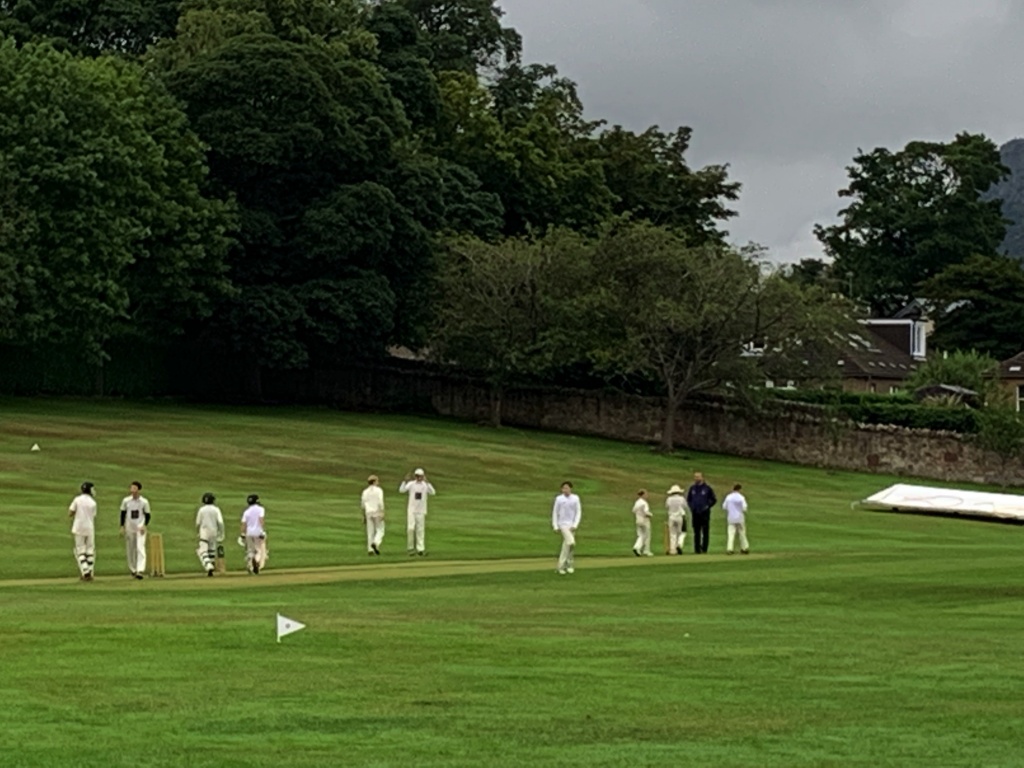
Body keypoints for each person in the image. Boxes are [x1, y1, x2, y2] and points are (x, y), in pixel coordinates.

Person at [399, 469, 435, 556]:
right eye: (417, 476)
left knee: (420, 530)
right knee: (410, 528)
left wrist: (427, 483)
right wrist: (404, 481)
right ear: (415, 476)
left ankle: (420, 549)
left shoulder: (425, 485)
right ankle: (410, 548)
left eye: (421, 476)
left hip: (421, 510)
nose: (419, 478)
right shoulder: (411, 484)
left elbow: (433, 492)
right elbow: (402, 490)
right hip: (411, 510)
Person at [119, 481, 151, 579]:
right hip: (130, 527)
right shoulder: (126, 501)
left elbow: (148, 515)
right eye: (131, 488)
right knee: (131, 548)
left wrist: (144, 525)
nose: (132, 490)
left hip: (140, 527)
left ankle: (140, 570)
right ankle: (133, 569)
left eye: (134, 488)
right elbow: (123, 513)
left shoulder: (144, 502)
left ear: (139, 490)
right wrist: (122, 526)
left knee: (140, 547)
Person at [69, 482, 98, 581]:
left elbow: (70, 512)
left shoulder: (77, 499)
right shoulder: (93, 502)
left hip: (78, 527)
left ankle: (85, 572)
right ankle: (89, 571)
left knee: (80, 550)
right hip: (89, 527)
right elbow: (93, 515)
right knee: (90, 550)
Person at [552, 481, 582, 575]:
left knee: (568, 545)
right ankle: (564, 565)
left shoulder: (575, 498)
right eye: (563, 488)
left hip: (571, 525)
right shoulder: (559, 499)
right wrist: (555, 525)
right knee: (571, 542)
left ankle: (565, 566)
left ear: (570, 489)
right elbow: (555, 512)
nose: (565, 490)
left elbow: (578, 512)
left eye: (567, 488)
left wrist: (575, 525)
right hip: (563, 524)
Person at [686, 472, 717, 554]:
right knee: (696, 532)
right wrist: (692, 507)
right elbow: (689, 500)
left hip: (704, 513)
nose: (696, 478)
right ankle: (697, 549)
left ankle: (704, 548)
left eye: (698, 477)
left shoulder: (707, 488)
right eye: (695, 477)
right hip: (695, 513)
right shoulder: (692, 488)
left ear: (702, 478)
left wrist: (707, 506)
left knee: (705, 531)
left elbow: (713, 499)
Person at [195, 492, 225, 576]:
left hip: (204, 531)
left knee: (202, 550)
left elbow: (198, 523)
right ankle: (211, 566)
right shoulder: (216, 509)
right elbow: (220, 522)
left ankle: (208, 566)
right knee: (211, 550)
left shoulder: (201, 510)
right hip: (214, 531)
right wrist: (221, 533)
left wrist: (198, 532)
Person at [240, 493, 267, 574]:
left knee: (250, 551)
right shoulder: (260, 509)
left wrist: (242, 534)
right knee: (259, 550)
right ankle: (256, 561)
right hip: (258, 532)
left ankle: (250, 565)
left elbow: (243, 524)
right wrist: (262, 530)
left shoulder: (246, 512)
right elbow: (261, 519)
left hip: (249, 533)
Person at [723, 483, 751, 555]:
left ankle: (730, 549)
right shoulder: (741, 497)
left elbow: (724, 507)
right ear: (740, 489)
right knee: (742, 533)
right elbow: (744, 508)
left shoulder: (728, 497)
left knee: (731, 534)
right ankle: (744, 548)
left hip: (731, 518)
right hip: (739, 517)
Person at [362, 475, 386, 555]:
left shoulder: (365, 492)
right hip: (377, 511)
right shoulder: (379, 490)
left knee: (370, 531)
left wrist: (364, 515)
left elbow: (363, 504)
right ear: (374, 481)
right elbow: (380, 501)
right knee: (380, 530)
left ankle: (370, 550)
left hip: (368, 512)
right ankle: (375, 543)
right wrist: (382, 511)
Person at [665, 484, 689, 555]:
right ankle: (679, 544)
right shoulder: (681, 499)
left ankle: (673, 550)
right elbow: (685, 506)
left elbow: (667, 506)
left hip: (671, 517)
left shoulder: (669, 499)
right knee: (681, 532)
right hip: (680, 516)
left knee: (672, 534)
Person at [632, 489, 653, 556]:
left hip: (638, 520)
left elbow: (633, 510)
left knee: (640, 535)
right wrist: (651, 515)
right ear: (643, 495)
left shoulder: (637, 502)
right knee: (647, 536)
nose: (647, 495)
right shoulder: (644, 503)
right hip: (645, 520)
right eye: (646, 494)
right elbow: (646, 512)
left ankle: (637, 547)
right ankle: (646, 550)